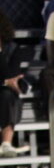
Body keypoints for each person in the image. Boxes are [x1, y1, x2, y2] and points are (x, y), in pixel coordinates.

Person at [0, 10, 30, 157]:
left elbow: (13, 76)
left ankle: (6, 143)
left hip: (5, 94)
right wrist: (5, 82)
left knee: (7, 95)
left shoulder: (12, 49)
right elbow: (7, 80)